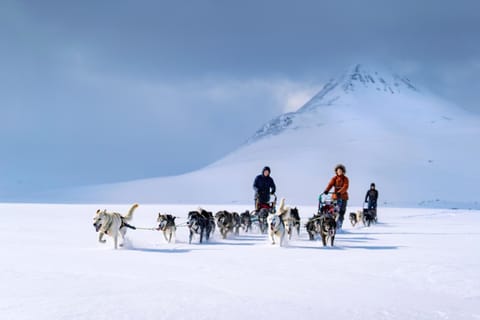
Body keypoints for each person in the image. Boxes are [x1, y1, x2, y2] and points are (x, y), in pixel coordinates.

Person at [323, 164, 349, 229]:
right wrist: (326, 190)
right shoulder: (334, 178)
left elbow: (346, 186)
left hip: (343, 197)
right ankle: (331, 223)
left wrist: (339, 192)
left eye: (340, 170)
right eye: (338, 171)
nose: (339, 172)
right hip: (335, 197)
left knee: (342, 212)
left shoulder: (345, 179)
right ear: (336, 171)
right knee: (334, 210)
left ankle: (339, 225)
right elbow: (330, 184)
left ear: (343, 171)